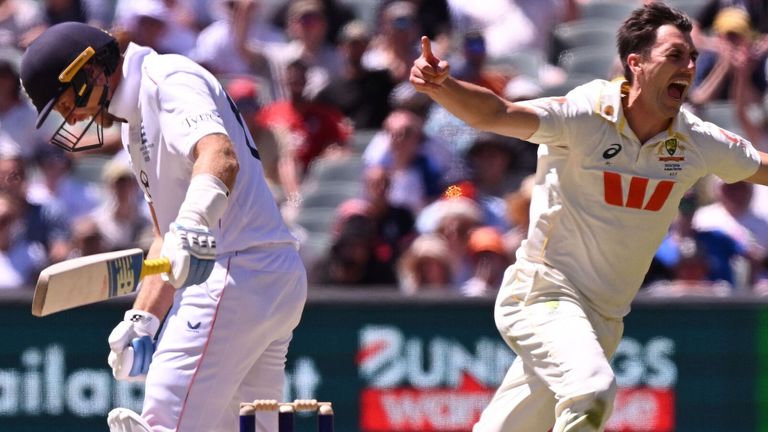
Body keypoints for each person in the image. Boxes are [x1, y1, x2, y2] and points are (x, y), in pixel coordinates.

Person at [410, 2, 768, 431]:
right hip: (544, 294)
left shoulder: (695, 139)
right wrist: (444, 86)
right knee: (592, 390)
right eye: (675, 55)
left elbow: (761, 167)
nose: (689, 67)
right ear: (635, 63)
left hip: (604, 319)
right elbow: (498, 113)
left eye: (692, 57)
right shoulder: (586, 114)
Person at [19, 21, 307, 432]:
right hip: (264, 274)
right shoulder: (132, 121)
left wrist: (191, 224)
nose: (71, 116)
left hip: (235, 269)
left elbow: (219, 156)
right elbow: (165, 237)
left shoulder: (167, 78)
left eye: (66, 103)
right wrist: (142, 318)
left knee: (163, 422)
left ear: (91, 71)